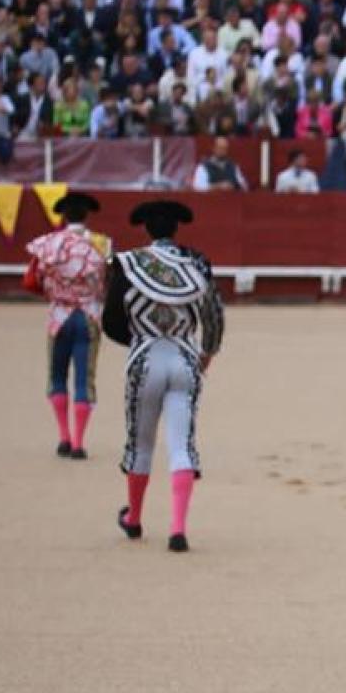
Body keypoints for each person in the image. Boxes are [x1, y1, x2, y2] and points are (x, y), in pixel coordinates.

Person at [103, 201, 225, 553]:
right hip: (185, 361)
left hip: (145, 360)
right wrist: (207, 352)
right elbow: (213, 313)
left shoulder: (128, 264)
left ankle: (135, 519)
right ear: (176, 230)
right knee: (181, 444)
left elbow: (111, 320)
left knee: (141, 443)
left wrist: (139, 340)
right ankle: (177, 527)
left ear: (146, 230)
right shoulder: (196, 264)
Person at [23, 192, 110, 459]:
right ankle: (78, 443)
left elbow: (34, 279)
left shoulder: (48, 244)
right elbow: (105, 283)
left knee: (57, 376)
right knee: (85, 380)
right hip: (88, 317)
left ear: (63, 216)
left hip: (58, 317)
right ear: (87, 216)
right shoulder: (99, 244)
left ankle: (63, 437)